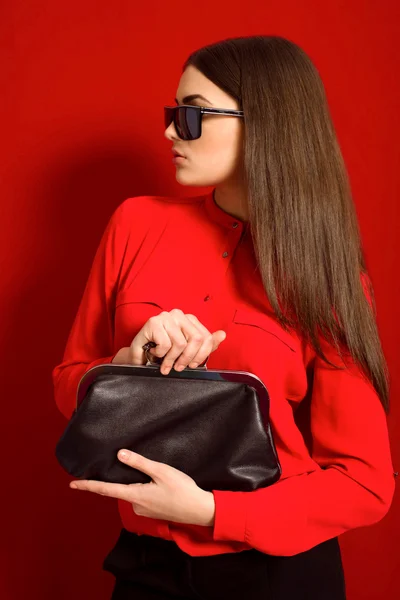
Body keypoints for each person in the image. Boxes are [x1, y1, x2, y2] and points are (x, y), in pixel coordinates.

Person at [52, 35, 396, 599]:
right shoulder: (135, 224)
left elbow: (364, 481)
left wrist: (212, 511)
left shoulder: (329, 275)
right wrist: (126, 363)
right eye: (172, 114)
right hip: (145, 566)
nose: (169, 131)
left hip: (273, 572)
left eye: (190, 115)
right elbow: (68, 387)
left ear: (264, 123)